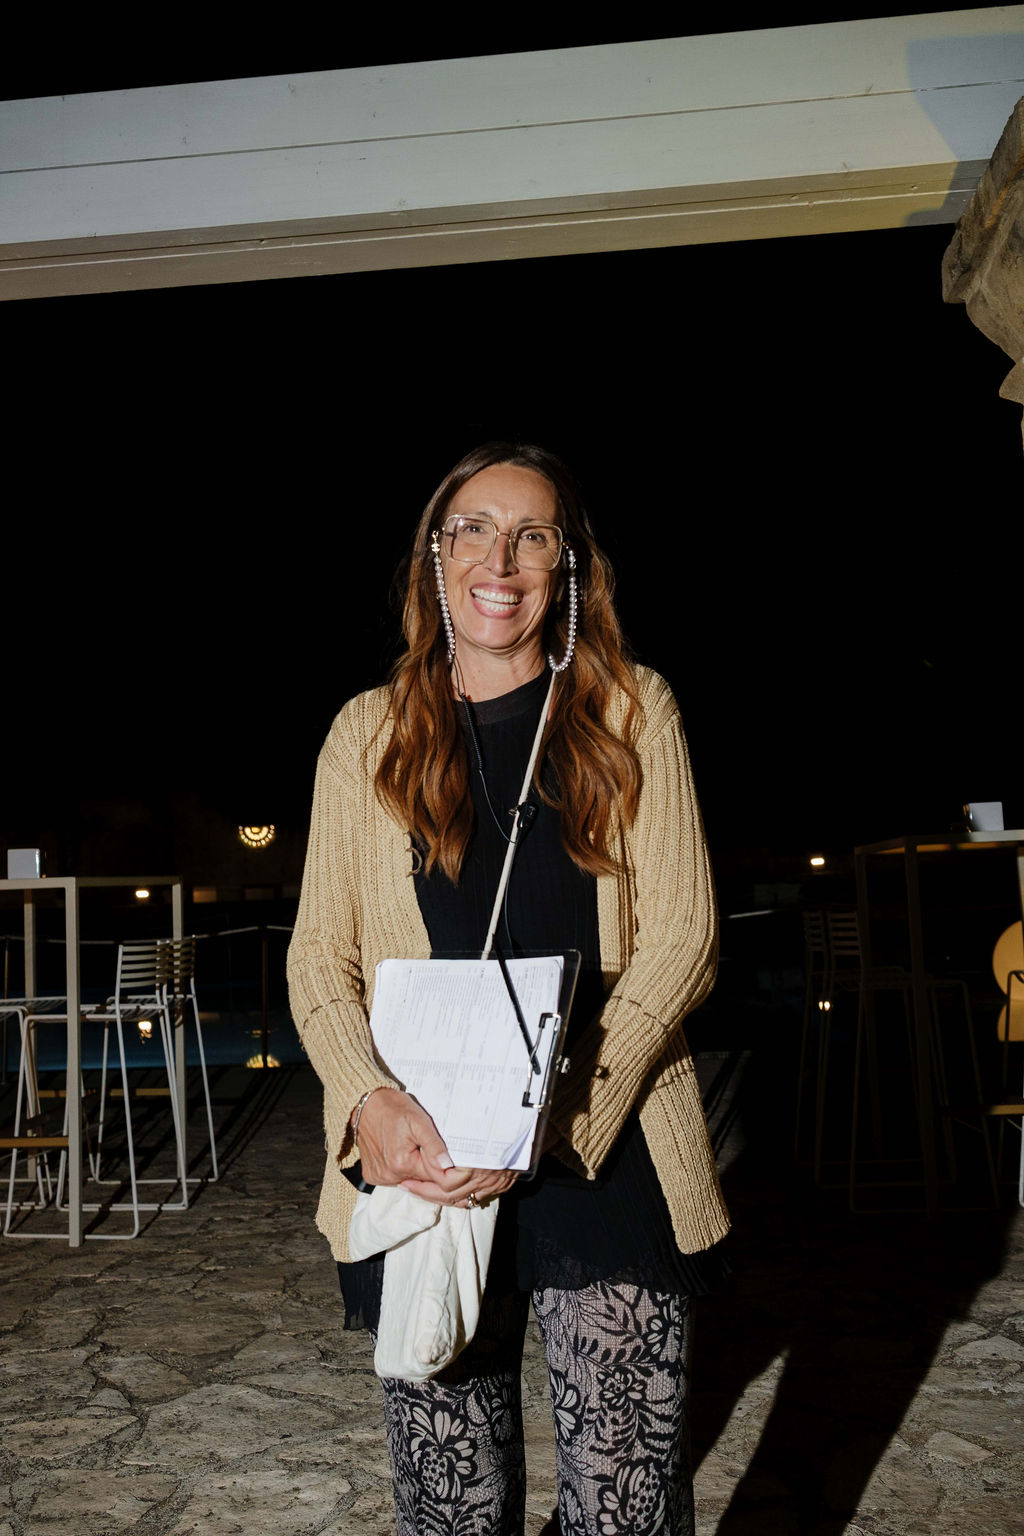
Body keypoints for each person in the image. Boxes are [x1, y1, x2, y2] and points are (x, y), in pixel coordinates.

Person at [287, 441, 729, 1536]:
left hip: (602, 1143)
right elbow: (319, 956)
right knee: (450, 1508)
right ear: (435, 558)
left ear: (567, 566)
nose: (501, 560)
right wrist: (366, 1099)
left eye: (533, 536)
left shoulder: (633, 711)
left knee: (623, 1506)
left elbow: (683, 938)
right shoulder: (365, 734)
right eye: (474, 530)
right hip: (426, 1153)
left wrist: (551, 1113)